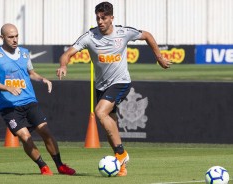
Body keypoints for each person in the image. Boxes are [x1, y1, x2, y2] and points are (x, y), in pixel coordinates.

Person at [56, 2, 172, 177]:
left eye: (103, 18)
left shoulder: (123, 33)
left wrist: (159, 57)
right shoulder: (90, 36)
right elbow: (67, 53)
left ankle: (122, 155)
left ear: (111, 18)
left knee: (100, 113)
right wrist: (63, 65)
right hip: (101, 86)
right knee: (111, 127)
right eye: (98, 18)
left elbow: (147, 35)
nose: (100, 21)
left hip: (121, 82)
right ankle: (120, 166)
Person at [0, 23, 76, 176]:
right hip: (9, 106)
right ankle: (43, 166)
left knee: (45, 131)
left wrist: (43, 79)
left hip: (28, 101)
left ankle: (60, 165)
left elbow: (31, 73)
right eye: (10, 37)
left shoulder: (24, 53)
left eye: (16, 36)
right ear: (2, 38)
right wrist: (8, 88)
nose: (15, 40)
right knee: (25, 137)